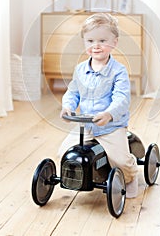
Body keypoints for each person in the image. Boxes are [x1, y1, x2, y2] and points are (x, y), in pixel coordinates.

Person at [58, 12, 139, 198]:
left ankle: (130, 175)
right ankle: (82, 176)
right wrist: (67, 106)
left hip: (111, 126)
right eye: (90, 41)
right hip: (86, 124)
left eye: (102, 40)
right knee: (63, 152)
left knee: (120, 159)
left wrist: (109, 114)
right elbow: (73, 92)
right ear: (85, 42)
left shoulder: (118, 71)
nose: (96, 46)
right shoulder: (80, 69)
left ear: (114, 43)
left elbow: (122, 98)